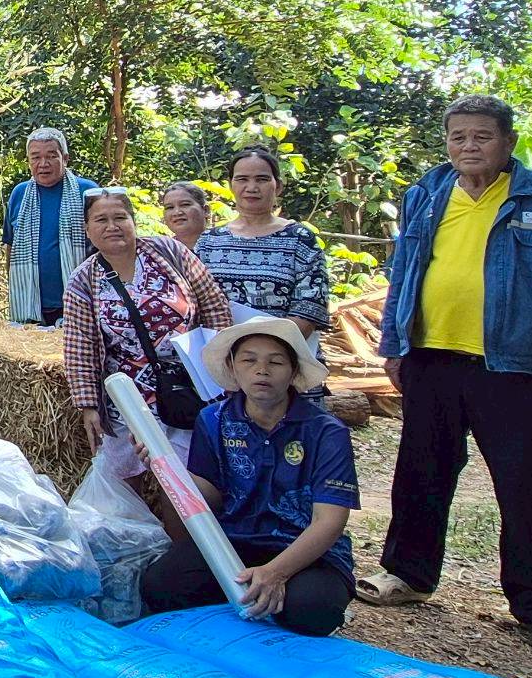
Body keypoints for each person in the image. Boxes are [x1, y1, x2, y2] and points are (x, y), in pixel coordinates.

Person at [361, 96, 532, 652]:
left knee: (524, 485)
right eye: (457, 137)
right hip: (432, 358)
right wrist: (394, 345)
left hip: (517, 365)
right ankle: (407, 574)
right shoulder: (426, 195)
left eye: (481, 137)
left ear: (508, 143)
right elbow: (403, 273)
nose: (467, 147)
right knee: (420, 473)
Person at [136, 316, 358, 636]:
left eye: (276, 362)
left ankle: (266, 596)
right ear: (233, 368)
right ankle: (250, 601)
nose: (261, 370)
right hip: (234, 544)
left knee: (313, 609)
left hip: (305, 551)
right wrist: (165, 471)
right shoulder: (213, 420)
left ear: (294, 372)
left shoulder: (326, 432)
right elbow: (207, 495)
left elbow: (330, 521)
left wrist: (276, 573)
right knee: (161, 585)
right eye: (249, 360)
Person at [61, 188, 233, 457]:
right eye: (100, 220)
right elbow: (79, 347)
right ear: (87, 229)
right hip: (127, 399)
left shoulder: (169, 252)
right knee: (127, 479)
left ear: (133, 221)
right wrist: (89, 406)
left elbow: (214, 307)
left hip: (188, 387)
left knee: (186, 477)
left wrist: (223, 372)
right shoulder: (83, 280)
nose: (112, 227)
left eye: (120, 218)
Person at [194, 147, 331, 338]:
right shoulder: (209, 241)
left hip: (282, 356)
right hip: (221, 356)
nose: (251, 187)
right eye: (242, 179)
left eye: (262, 179)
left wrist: (261, 352)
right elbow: (195, 302)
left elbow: (310, 306)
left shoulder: (299, 239)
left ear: (278, 186)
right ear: (230, 185)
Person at [1, 129, 96, 326]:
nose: (43, 164)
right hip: (30, 303)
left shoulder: (86, 190)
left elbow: (103, 245)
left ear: (65, 158)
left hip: (82, 300)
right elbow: (10, 246)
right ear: (28, 161)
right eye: (36, 157)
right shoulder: (19, 194)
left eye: (51, 156)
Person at [159, 181, 211, 250]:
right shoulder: (159, 252)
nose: (177, 212)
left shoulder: (227, 244)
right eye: (170, 207)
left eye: (185, 205)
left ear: (205, 210)